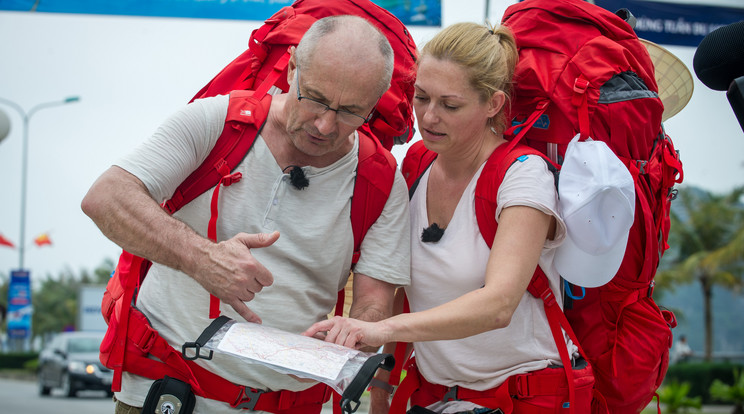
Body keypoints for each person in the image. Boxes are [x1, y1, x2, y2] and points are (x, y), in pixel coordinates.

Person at [81, 15, 411, 414]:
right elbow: (105, 197)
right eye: (317, 99)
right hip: (166, 393)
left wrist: (357, 332)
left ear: (373, 106)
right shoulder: (217, 122)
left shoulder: (381, 181)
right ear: (292, 68)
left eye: (349, 112)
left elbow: (374, 303)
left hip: (290, 403)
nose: (325, 124)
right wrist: (202, 259)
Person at [304, 22, 594, 413]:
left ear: (492, 104)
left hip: (525, 397)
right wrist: (383, 386)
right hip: (435, 397)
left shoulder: (524, 176)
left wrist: (378, 329)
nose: (429, 117)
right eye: (421, 97)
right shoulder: (416, 165)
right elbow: (403, 291)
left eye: (450, 105)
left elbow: (498, 303)